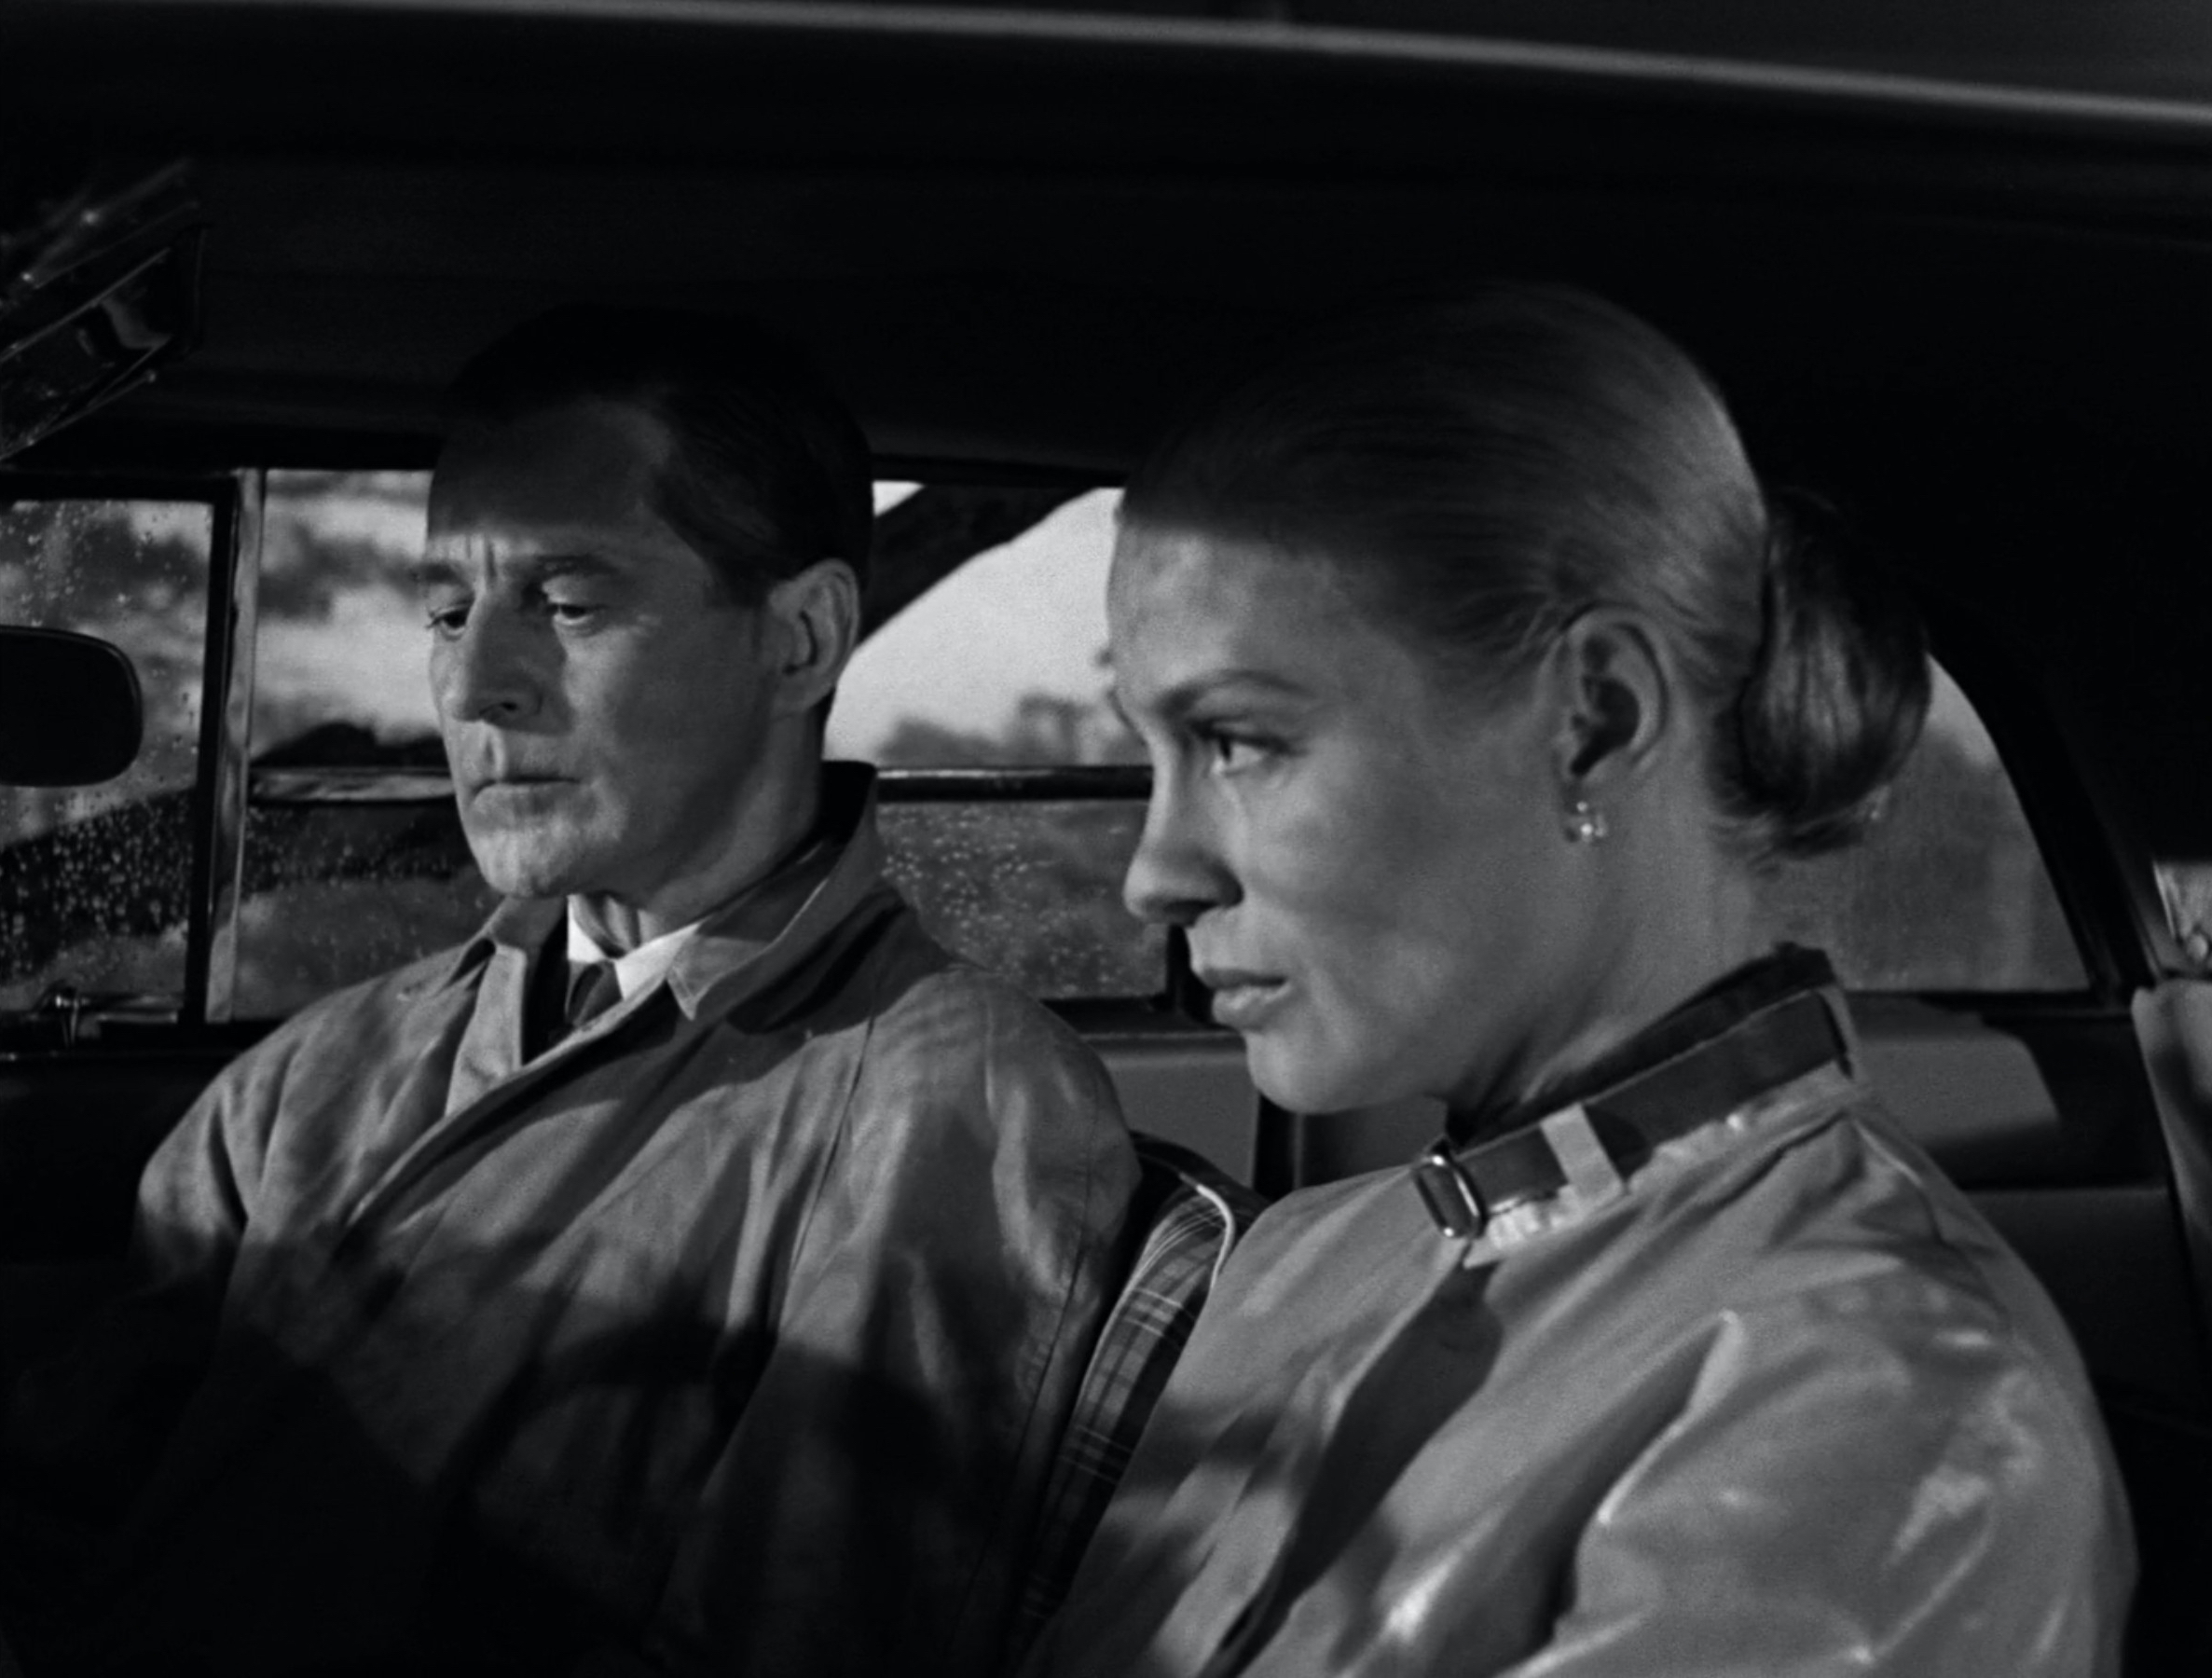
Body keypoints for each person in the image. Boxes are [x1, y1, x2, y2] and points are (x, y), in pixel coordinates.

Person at [1, 308, 1138, 1677]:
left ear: (801, 638)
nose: (475, 686)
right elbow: (64, 1494)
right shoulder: (314, 1076)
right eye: (446, 612)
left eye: (569, 603)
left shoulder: (948, 1102)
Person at [1026, 287, 2132, 1676]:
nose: (1154, 874)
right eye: (1151, 752)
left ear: (1593, 720)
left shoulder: (1889, 1404)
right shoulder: (1313, 1249)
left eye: (1240, 741)